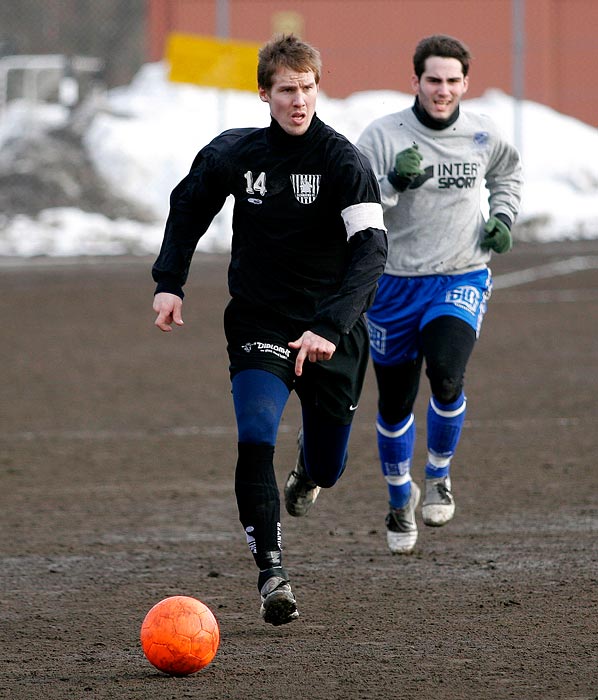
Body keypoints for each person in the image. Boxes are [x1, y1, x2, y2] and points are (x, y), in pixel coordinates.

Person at [152, 35, 387, 624]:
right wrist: (169, 281)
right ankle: (272, 573)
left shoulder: (343, 162)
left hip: (331, 330)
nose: (299, 101)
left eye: (308, 88)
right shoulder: (235, 153)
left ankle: (308, 471)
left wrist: (331, 326)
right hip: (259, 321)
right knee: (255, 434)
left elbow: (371, 251)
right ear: (265, 93)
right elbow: (189, 207)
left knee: (329, 466)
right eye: (287, 90)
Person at [356, 34, 522, 555]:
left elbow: (508, 173)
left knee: (448, 374)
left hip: (461, 273)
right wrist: (390, 183)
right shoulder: (382, 137)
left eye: (453, 81)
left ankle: (439, 474)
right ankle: (398, 496)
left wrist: (502, 216)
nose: (443, 90)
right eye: (434, 80)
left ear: (466, 83)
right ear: (416, 82)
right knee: (396, 401)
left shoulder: (482, 134)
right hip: (394, 283)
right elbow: (355, 204)